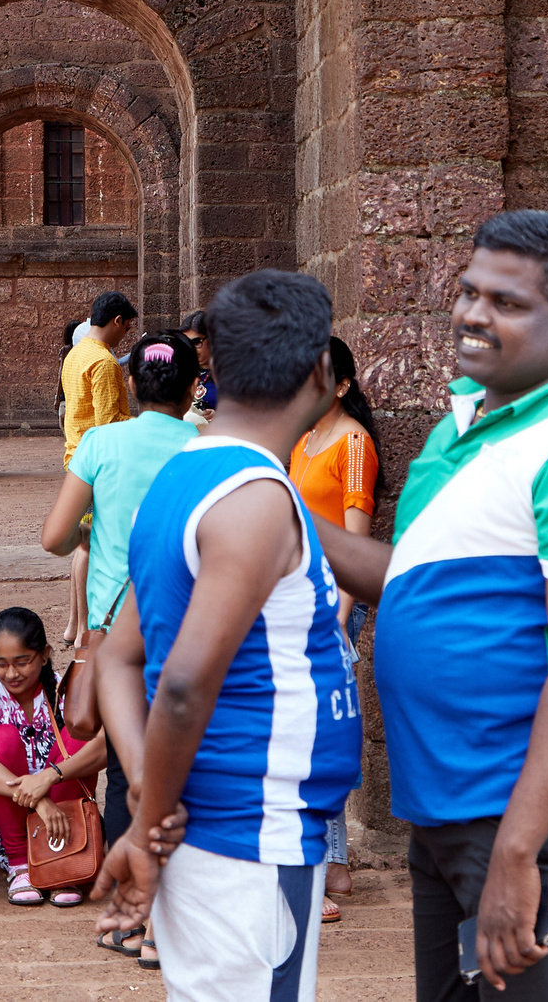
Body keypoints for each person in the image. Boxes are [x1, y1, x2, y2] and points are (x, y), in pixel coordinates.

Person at [314, 210, 548, 1002]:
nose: (473, 312)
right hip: (446, 796)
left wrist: (518, 850)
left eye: (505, 301)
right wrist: (290, 512)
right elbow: (415, 577)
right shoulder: (459, 427)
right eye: (468, 291)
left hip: (539, 813)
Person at [91, 271, 361, 1002]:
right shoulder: (256, 501)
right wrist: (145, 829)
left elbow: (114, 659)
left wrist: (147, 779)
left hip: (215, 830)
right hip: (251, 834)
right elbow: (179, 683)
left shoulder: (187, 476)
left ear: (214, 366)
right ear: (320, 372)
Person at [40, 325, 201, 958]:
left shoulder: (102, 444)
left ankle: (129, 913)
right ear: (193, 388)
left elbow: (55, 536)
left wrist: (93, 525)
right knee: (182, 770)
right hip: (191, 626)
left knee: (125, 769)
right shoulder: (207, 446)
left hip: (114, 633)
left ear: (131, 384)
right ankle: (172, 923)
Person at [288, 335, 384, 923]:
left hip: (330, 607)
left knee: (323, 733)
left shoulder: (352, 444)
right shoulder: (303, 438)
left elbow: (356, 542)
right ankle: (335, 860)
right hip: (298, 600)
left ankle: (328, 859)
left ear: (344, 385)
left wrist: (341, 621)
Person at [0, 606, 108, 907]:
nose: (11, 674)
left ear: (44, 654)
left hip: (62, 819)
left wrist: (50, 777)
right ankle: (19, 864)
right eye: (0, 664)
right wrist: (38, 797)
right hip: (0, 819)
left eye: (22, 662)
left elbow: (104, 747)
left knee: (80, 737)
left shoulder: (65, 688)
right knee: (1, 740)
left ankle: (63, 859)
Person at [61, 291, 137, 459]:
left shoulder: (74, 354)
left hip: (76, 453)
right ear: (118, 321)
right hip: (97, 459)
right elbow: (108, 422)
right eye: (127, 327)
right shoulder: (104, 361)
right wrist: (144, 424)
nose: (125, 333)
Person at [180, 309, 217, 425]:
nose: (191, 348)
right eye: (187, 343)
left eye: (196, 342)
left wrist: (221, 417)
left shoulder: (230, 374)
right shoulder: (179, 373)